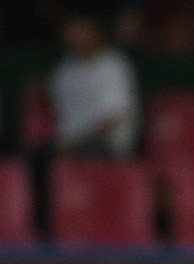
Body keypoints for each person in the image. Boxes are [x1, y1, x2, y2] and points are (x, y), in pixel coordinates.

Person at [49, 11, 138, 157]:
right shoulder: (64, 69)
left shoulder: (114, 65)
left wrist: (76, 144)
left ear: (94, 32)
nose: (73, 35)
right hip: (66, 146)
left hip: (108, 148)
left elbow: (112, 121)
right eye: (70, 30)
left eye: (79, 30)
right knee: (29, 159)